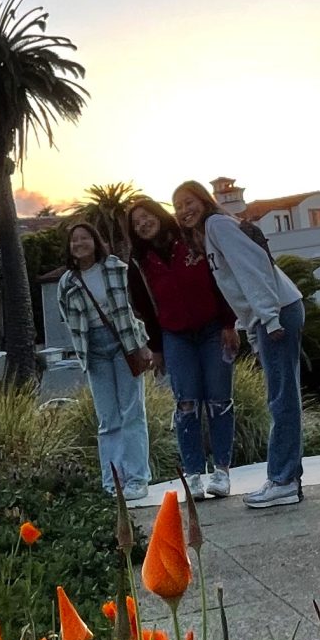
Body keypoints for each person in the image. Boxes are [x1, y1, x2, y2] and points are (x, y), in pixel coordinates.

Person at [172, 181, 307, 511]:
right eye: (177, 207)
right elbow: (240, 288)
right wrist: (255, 327)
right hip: (272, 313)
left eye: (189, 202)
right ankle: (287, 479)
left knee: (281, 398)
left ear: (204, 200)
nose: (184, 210)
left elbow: (253, 268)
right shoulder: (210, 232)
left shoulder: (217, 225)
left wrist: (270, 318)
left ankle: (283, 481)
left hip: (278, 311)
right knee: (283, 395)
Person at [127, 193, 236, 499]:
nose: (144, 224)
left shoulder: (192, 240)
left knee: (219, 400)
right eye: (136, 223)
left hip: (213, 329)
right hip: (175, 337)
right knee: (186, 405)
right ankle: (194, 475)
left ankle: (222, 472)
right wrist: (157, 347)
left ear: (159, 214)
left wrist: (229, 323)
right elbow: (145, 309)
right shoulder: (138, 263)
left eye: (147, 215)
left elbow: (221, 280)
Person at [54, 220, 152, 504]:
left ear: (96, 241)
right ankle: (113, 482)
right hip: (93, 350)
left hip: (125, 345)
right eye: (74, 240)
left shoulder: (115, 268)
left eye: (85, 238)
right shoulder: (67, 282)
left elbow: (136, 306)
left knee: (133, 412)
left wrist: (144, 343)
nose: (79, 244)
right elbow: (68, 319)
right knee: (107, 419)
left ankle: (137, 478)